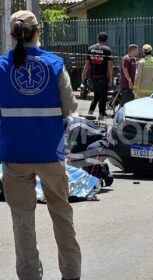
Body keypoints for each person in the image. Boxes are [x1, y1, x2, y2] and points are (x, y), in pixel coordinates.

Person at [0, 10, 81, 280]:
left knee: (22, 221)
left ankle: (29, 275)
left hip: (15, 154)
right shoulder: (54, 64)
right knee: (61, 214)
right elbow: (70, 107)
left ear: (13, 36)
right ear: (38, 32)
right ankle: (71, 273)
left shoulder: (1, 66)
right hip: (50, 153)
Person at [81, 32, 113, 120]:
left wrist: (83, 74)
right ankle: (101, 117)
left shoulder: (90, 49)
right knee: (102, 97)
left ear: (97, 38)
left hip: (93, 77)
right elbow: (110, 66)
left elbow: (87, 64)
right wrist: (110, 78)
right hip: (103, 77)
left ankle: (90, 113)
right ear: (105, 40)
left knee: (96, 96)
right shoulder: (107, 50)